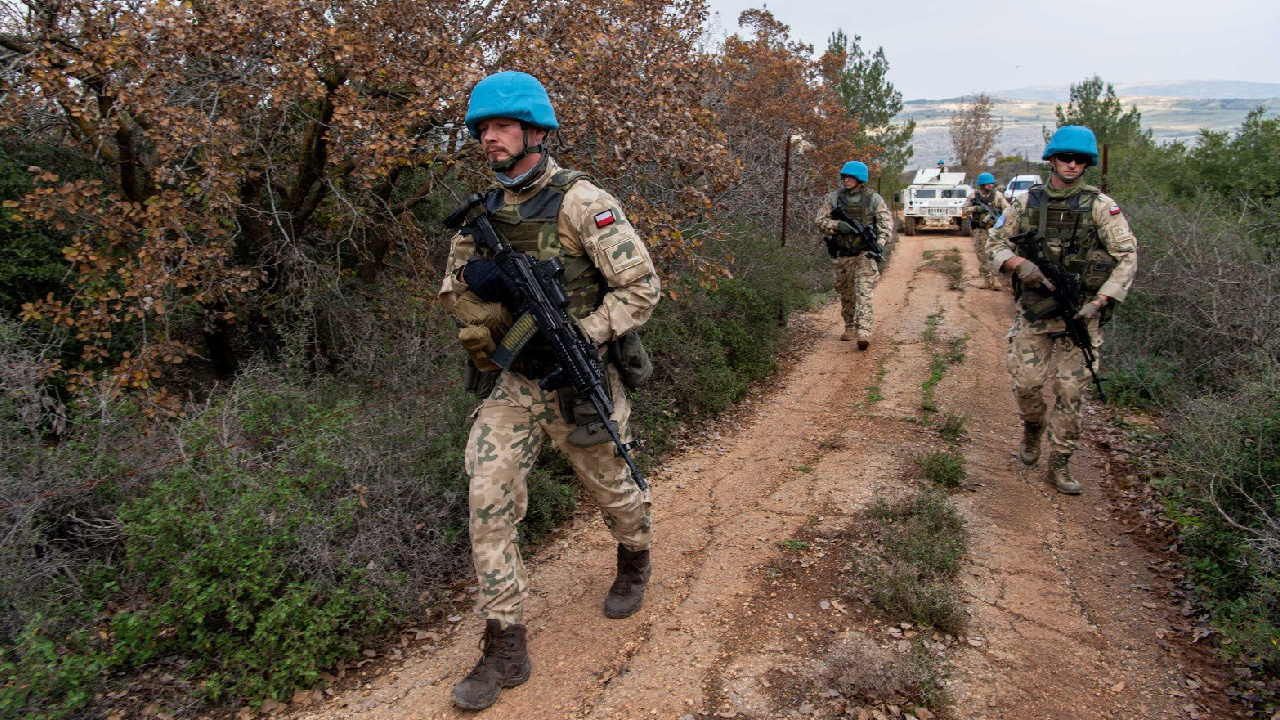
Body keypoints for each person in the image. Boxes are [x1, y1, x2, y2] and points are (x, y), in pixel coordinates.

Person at [438, 70, 659, 710]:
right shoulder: (479, 217)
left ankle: (634, 555)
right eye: (482, 128)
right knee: (487, 492)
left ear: (536, 132)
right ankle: (504, 642)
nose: (489, 138)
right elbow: (454, 293)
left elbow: (641, 288)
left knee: (614, 489)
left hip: (577, 373)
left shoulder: (582, 203)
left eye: (502, 126)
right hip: (514, 381)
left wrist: (584, 333)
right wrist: (487, 298)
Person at [985, 125, 1138, 494]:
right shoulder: (1025, 203)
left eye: (1080, 159)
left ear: (1087, 164)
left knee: (1070, 392)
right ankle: (1032, 426)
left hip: (1082, 313)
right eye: (1065, 157)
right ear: (1051, 159)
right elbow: (994, 244)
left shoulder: (1101, 206)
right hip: (1036, 310)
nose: (1072, 164)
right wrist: (1019, 265)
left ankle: (1060, 462)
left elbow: (1127, 256)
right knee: (1027, 384)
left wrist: (1101, 300)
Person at [814, 161, 893, 350]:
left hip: (865, 253)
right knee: (847, 293)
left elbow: (885, 225)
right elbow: (820, 221)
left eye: (850, 177)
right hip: (843, 255)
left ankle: (864, 331)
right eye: (845, 177)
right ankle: (850, 325)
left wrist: (880, 245)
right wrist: (837, 226)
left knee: (863, 291)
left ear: (860, 179)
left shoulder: (873, 199)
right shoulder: (834, 198)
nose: (846, 180)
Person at [965, 172, 1009, 290]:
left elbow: (1007, 209)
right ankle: (987, 280)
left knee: (995, 255)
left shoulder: (997, 195)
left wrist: (1001, 218)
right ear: (981, 184)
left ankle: (996, 281)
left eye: (991, 183)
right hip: (979, 231)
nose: (990, 185)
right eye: (988, 183)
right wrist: (975, 209)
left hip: (994, 230)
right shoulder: (973, 196)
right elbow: (964, 211)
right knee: (982, 255)